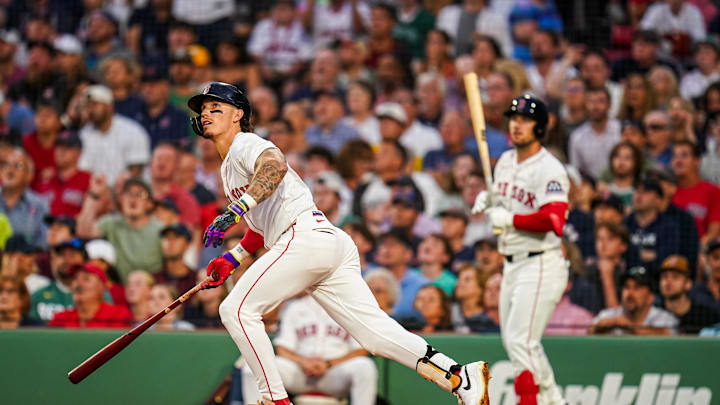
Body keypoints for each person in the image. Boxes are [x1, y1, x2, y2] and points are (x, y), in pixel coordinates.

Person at [186, 82, 490, 405]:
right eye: (203, 110)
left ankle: (274, 400)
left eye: (216, 107)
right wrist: (235, 256)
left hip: (302, 238)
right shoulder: (228, 166)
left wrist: (237, 208)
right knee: (375, 334)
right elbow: (263, 225)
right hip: (324, 242)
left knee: (236, 309)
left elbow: (275, 165)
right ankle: (459, 376)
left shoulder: (244, 143)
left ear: (238, 116)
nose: (206, 114)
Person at [471, 94, 569, 404]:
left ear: (539, 127)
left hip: (541, 261)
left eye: (525, 120)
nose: (517, 125)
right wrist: (490, 199)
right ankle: (556, 400)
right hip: (511, 262)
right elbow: (504, 198)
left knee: (521, 341)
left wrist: (510, 218)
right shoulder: (506, 161)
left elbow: (554, 220)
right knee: (517, 342)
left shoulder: (550, 168)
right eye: (514, 118)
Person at [242, 293, 377, 405]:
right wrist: (303, 362)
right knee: (252, 367)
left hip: (335, 373)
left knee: (365, 367)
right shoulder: (295, 306)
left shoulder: (350, 306)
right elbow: (283, 348)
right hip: (300, 372)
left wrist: (328, 364)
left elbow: (361, 350)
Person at [76, 177, 164, 282]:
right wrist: (94, 194)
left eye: (140, 195)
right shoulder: (112, 223)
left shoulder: (160, 229)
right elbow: (83, 231)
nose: (133, 199)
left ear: (149, 204)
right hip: (120, 289)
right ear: (121, 199)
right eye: (128, 194)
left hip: (151, 289)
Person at [77, 84, 151, 184]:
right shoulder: (84, 134)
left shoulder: (133, 131)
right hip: (96, 192)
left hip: (127, 191)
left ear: (109, 106)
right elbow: (83, 169)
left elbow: (135, 172)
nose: (90, 110)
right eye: (88, 105)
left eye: (94, 105)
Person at [589, 266, 678, 335]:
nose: (630, 293)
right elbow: (589, 330)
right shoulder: (610, 315)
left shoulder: (664, 318)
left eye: (637, 288)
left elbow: (665, 334)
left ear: (650, 298)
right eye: (626, 287)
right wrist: (609, 324)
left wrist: (629, 326)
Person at [623, 177, 680, 284]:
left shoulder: (669, 226)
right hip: (627, 281)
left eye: (645, 192)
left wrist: (634, 254)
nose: (638, 196)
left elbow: (667, 261)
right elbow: (620, 256)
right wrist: (649, 255)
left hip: (657, 282)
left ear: (658, 200)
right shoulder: (624, 224)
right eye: (636, 191)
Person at [49, 263, 132, 328]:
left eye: (86, 279)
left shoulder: (118, 315)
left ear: (102, 286)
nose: (78, 284)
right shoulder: (60, 318)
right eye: (75, 279)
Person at [671, 140, 720, 245]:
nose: (678, 160)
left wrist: (694, 250)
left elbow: (714, 231)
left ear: (697, 162)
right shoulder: (668, 192)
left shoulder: (712, 191)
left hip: (700, 252)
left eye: (684, 155)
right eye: (675, 156)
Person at [28, 238, 86, 323]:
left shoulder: (96, 295)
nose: (67, 260)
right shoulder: (38, 296)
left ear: (83, 261)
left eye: (72, 255)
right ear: (53, 261)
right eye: (62, 255)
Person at [568, 87, 621, 178]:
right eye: (591, 102)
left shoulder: (620, 130)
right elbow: (576, 171)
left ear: (609, 105)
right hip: (590, 186)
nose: (595, 106)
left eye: (600, 101)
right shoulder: (577, 136)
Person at [659, 255, 720, 334]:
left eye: (675, 277)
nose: (668, 281)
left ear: (688, 283)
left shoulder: (705, 315)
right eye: (664, 277)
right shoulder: (653, 312)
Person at [0, 147, 49, 245]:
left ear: (29, 175)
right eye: (5, 165)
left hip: (26, 258)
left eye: (18, 166)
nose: (10, 170)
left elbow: (43, 243)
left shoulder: (40, 205)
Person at [45, 131, 91, 218]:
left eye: (67, 147)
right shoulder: (45, 179)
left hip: (73, 229)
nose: (60, 151)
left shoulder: (88, 180)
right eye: (58, 147)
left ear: (78, 153)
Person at [154, 223, 196, 294]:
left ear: (187, 245)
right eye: (166, 237)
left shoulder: (195, 280)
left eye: (176, 237)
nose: (170, 242)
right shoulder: (155, 279)